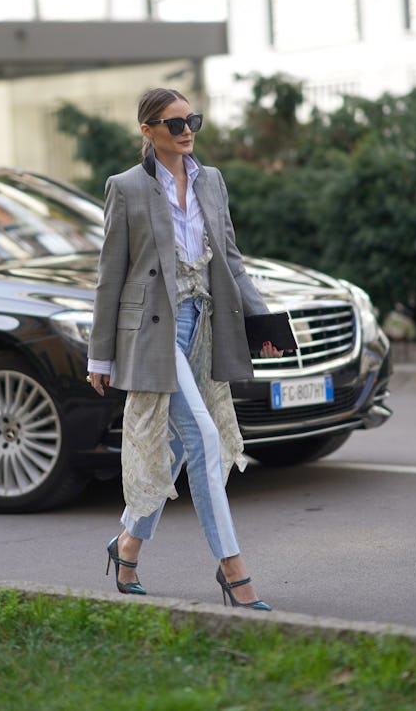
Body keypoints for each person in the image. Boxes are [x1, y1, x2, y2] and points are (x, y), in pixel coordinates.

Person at [87, 87, 282, 610]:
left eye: (191, 119)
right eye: (174, 123)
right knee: (204, 439)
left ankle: (127, 544)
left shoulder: (211, 181)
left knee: (175, 451)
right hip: (154, 333)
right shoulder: (125, 188)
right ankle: (234, 571)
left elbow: (232, 260)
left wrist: (263, 322)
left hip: (204, 324)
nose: (187, 130)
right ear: (148, 131)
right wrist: (99, 355)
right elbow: (110, 276)